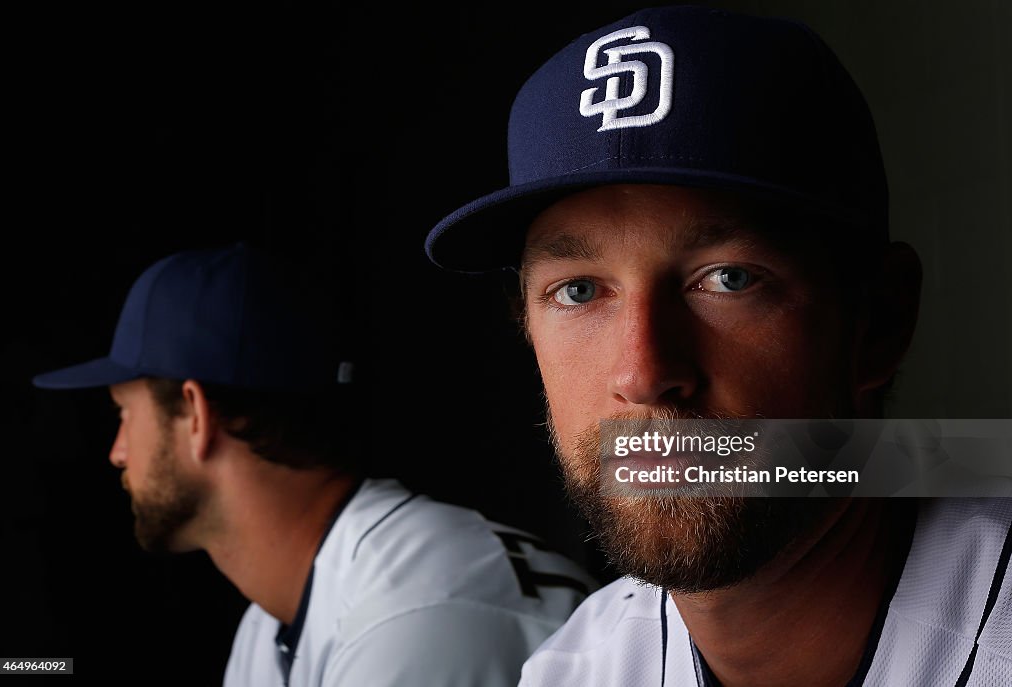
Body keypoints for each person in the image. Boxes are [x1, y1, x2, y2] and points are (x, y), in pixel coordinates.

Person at [425, 6, 1011, 686]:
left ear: (879, 321)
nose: (643, 373)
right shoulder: (572, 670)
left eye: (728, 279)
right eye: (580, 291)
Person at [32, 242, 595, 686]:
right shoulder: (279, 614)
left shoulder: (414, 612)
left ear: (195, 413)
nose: (117, 452)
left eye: (122, 415)